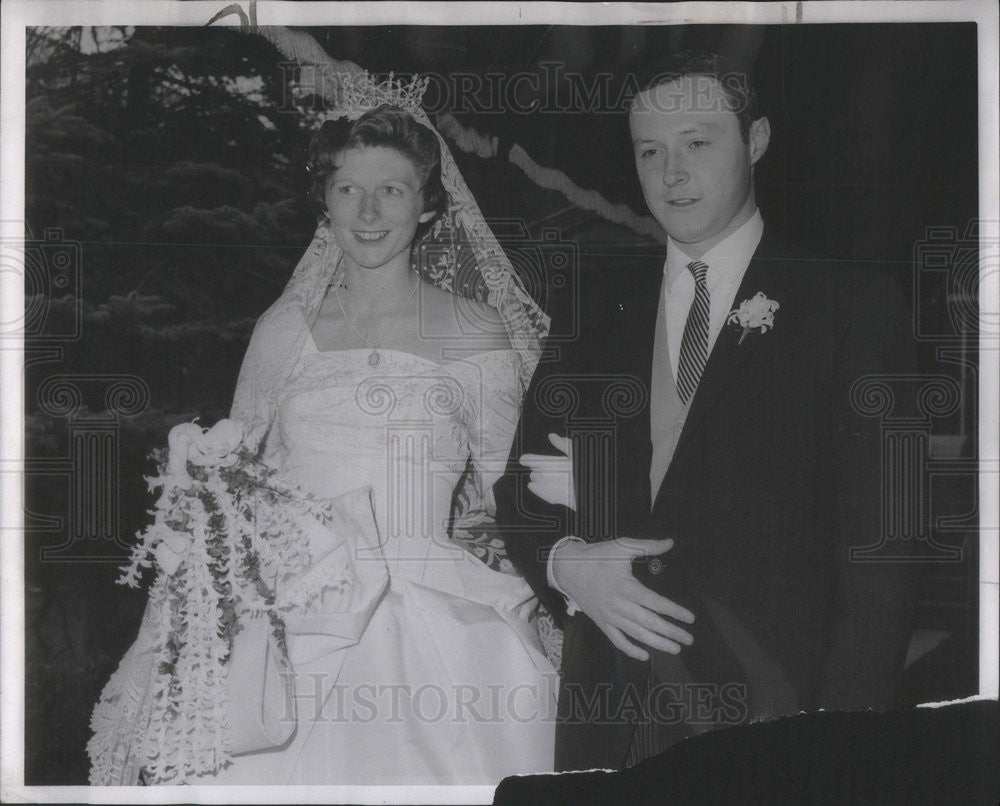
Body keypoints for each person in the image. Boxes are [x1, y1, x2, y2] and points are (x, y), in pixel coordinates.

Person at [90, 86, 557, 785]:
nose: (368, 213)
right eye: (348, 189)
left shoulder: (473, 332)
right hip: (290, 614)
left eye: (392, 190)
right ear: (326, 201)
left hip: (435, 609)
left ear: (428, 204)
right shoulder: (284, 331)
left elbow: (509, 489)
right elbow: (236, 473)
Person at [496, 49, 919, 770]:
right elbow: (517, 492)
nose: (671, 173)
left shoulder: (851, 305)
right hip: (613, 709)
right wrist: (566, 565)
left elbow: (884, 559)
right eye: (650, 151)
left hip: (775, 708)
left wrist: (841, 738)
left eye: (697, 143)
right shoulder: (595, 311)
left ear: (754, 141)